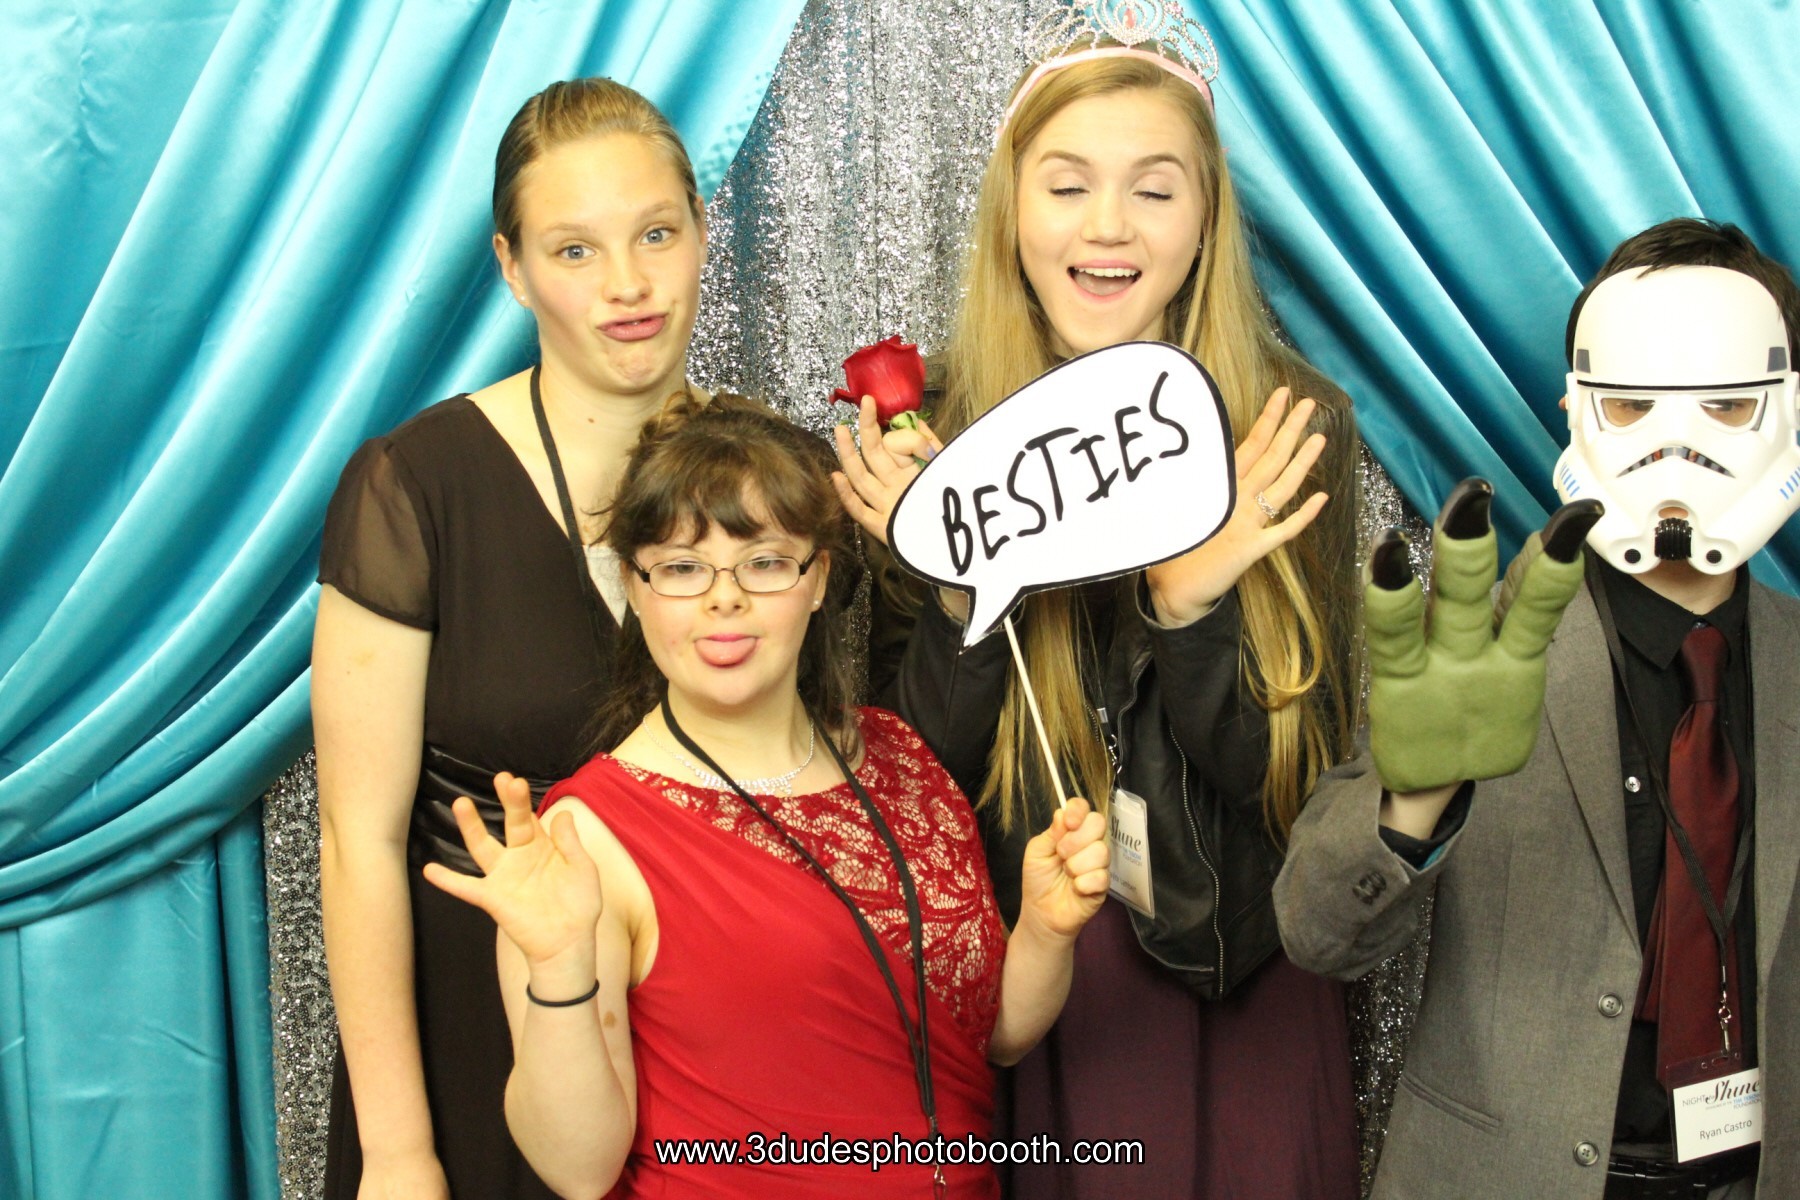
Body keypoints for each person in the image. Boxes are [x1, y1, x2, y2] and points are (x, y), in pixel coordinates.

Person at [833, 11, 1362, 1197]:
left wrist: (1190, 607)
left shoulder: (1289, 424)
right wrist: (966, 586)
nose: (1108, 225)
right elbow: (911, 791)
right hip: (1035, 970)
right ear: (1012, 214)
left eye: (1154, 190)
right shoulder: (940, 440)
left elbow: (1298, 790)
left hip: (1241, 975)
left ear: (1207, 219)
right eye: (1067, 186)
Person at [423, 397, 1112, 1198]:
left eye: (765, 562)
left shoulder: (904, 760)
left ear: (817, 579)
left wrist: (1047, 933)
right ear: (634, 588)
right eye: (683, 568)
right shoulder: (588, 837)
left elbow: (995, 1039)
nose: (726, 598)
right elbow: (580, 1172)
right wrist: (559, 968)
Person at [1276, 217, 1800, 1198]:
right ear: (1576, 409)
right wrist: (1415, 798)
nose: (1678, 449)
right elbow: (1317, 932)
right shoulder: (1476, 654)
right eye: (1633, 404)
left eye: (1727, 404)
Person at [312, 77, 711, 1198]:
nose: (627, 283)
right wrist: (399, 1151)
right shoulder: (415, 486)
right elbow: (355, 840)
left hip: (707, 1043)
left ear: (700, 231)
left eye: (655, 233)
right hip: (477, 1043)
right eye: (574, 250)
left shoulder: (775, 482)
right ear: (512, 267)